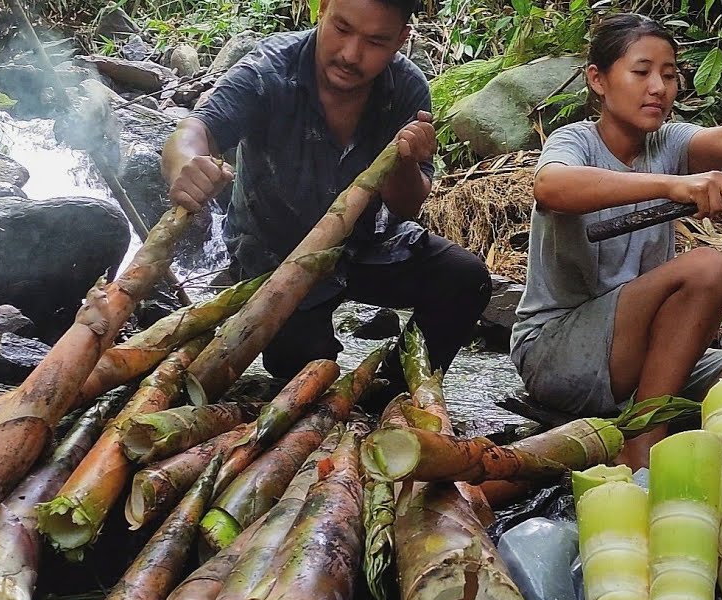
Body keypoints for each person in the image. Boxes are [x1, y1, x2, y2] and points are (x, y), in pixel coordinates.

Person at [511, 13, 722, 469]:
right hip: (558, 354)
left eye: (668, 75)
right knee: (707, 268)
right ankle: (643, 438)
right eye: (641, 71)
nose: (658, 87)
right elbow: (552, 187)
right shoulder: (576, 142)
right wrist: (670, 186)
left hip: (646, 356)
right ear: (598, 80)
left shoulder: (667, 142)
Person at [161, 0, 490, 384]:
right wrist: (185, 164)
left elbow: (407, 204)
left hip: (366, 244)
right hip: (276, 255)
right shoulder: (269, 70)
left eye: (375, 41)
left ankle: (392, 396)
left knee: (465, 279)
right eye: (342, 29)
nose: (351, 54)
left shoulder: (407, 87)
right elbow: (195, 130)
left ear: (401, 39)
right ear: (322, 9)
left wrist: (403, 161)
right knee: (305, 373)